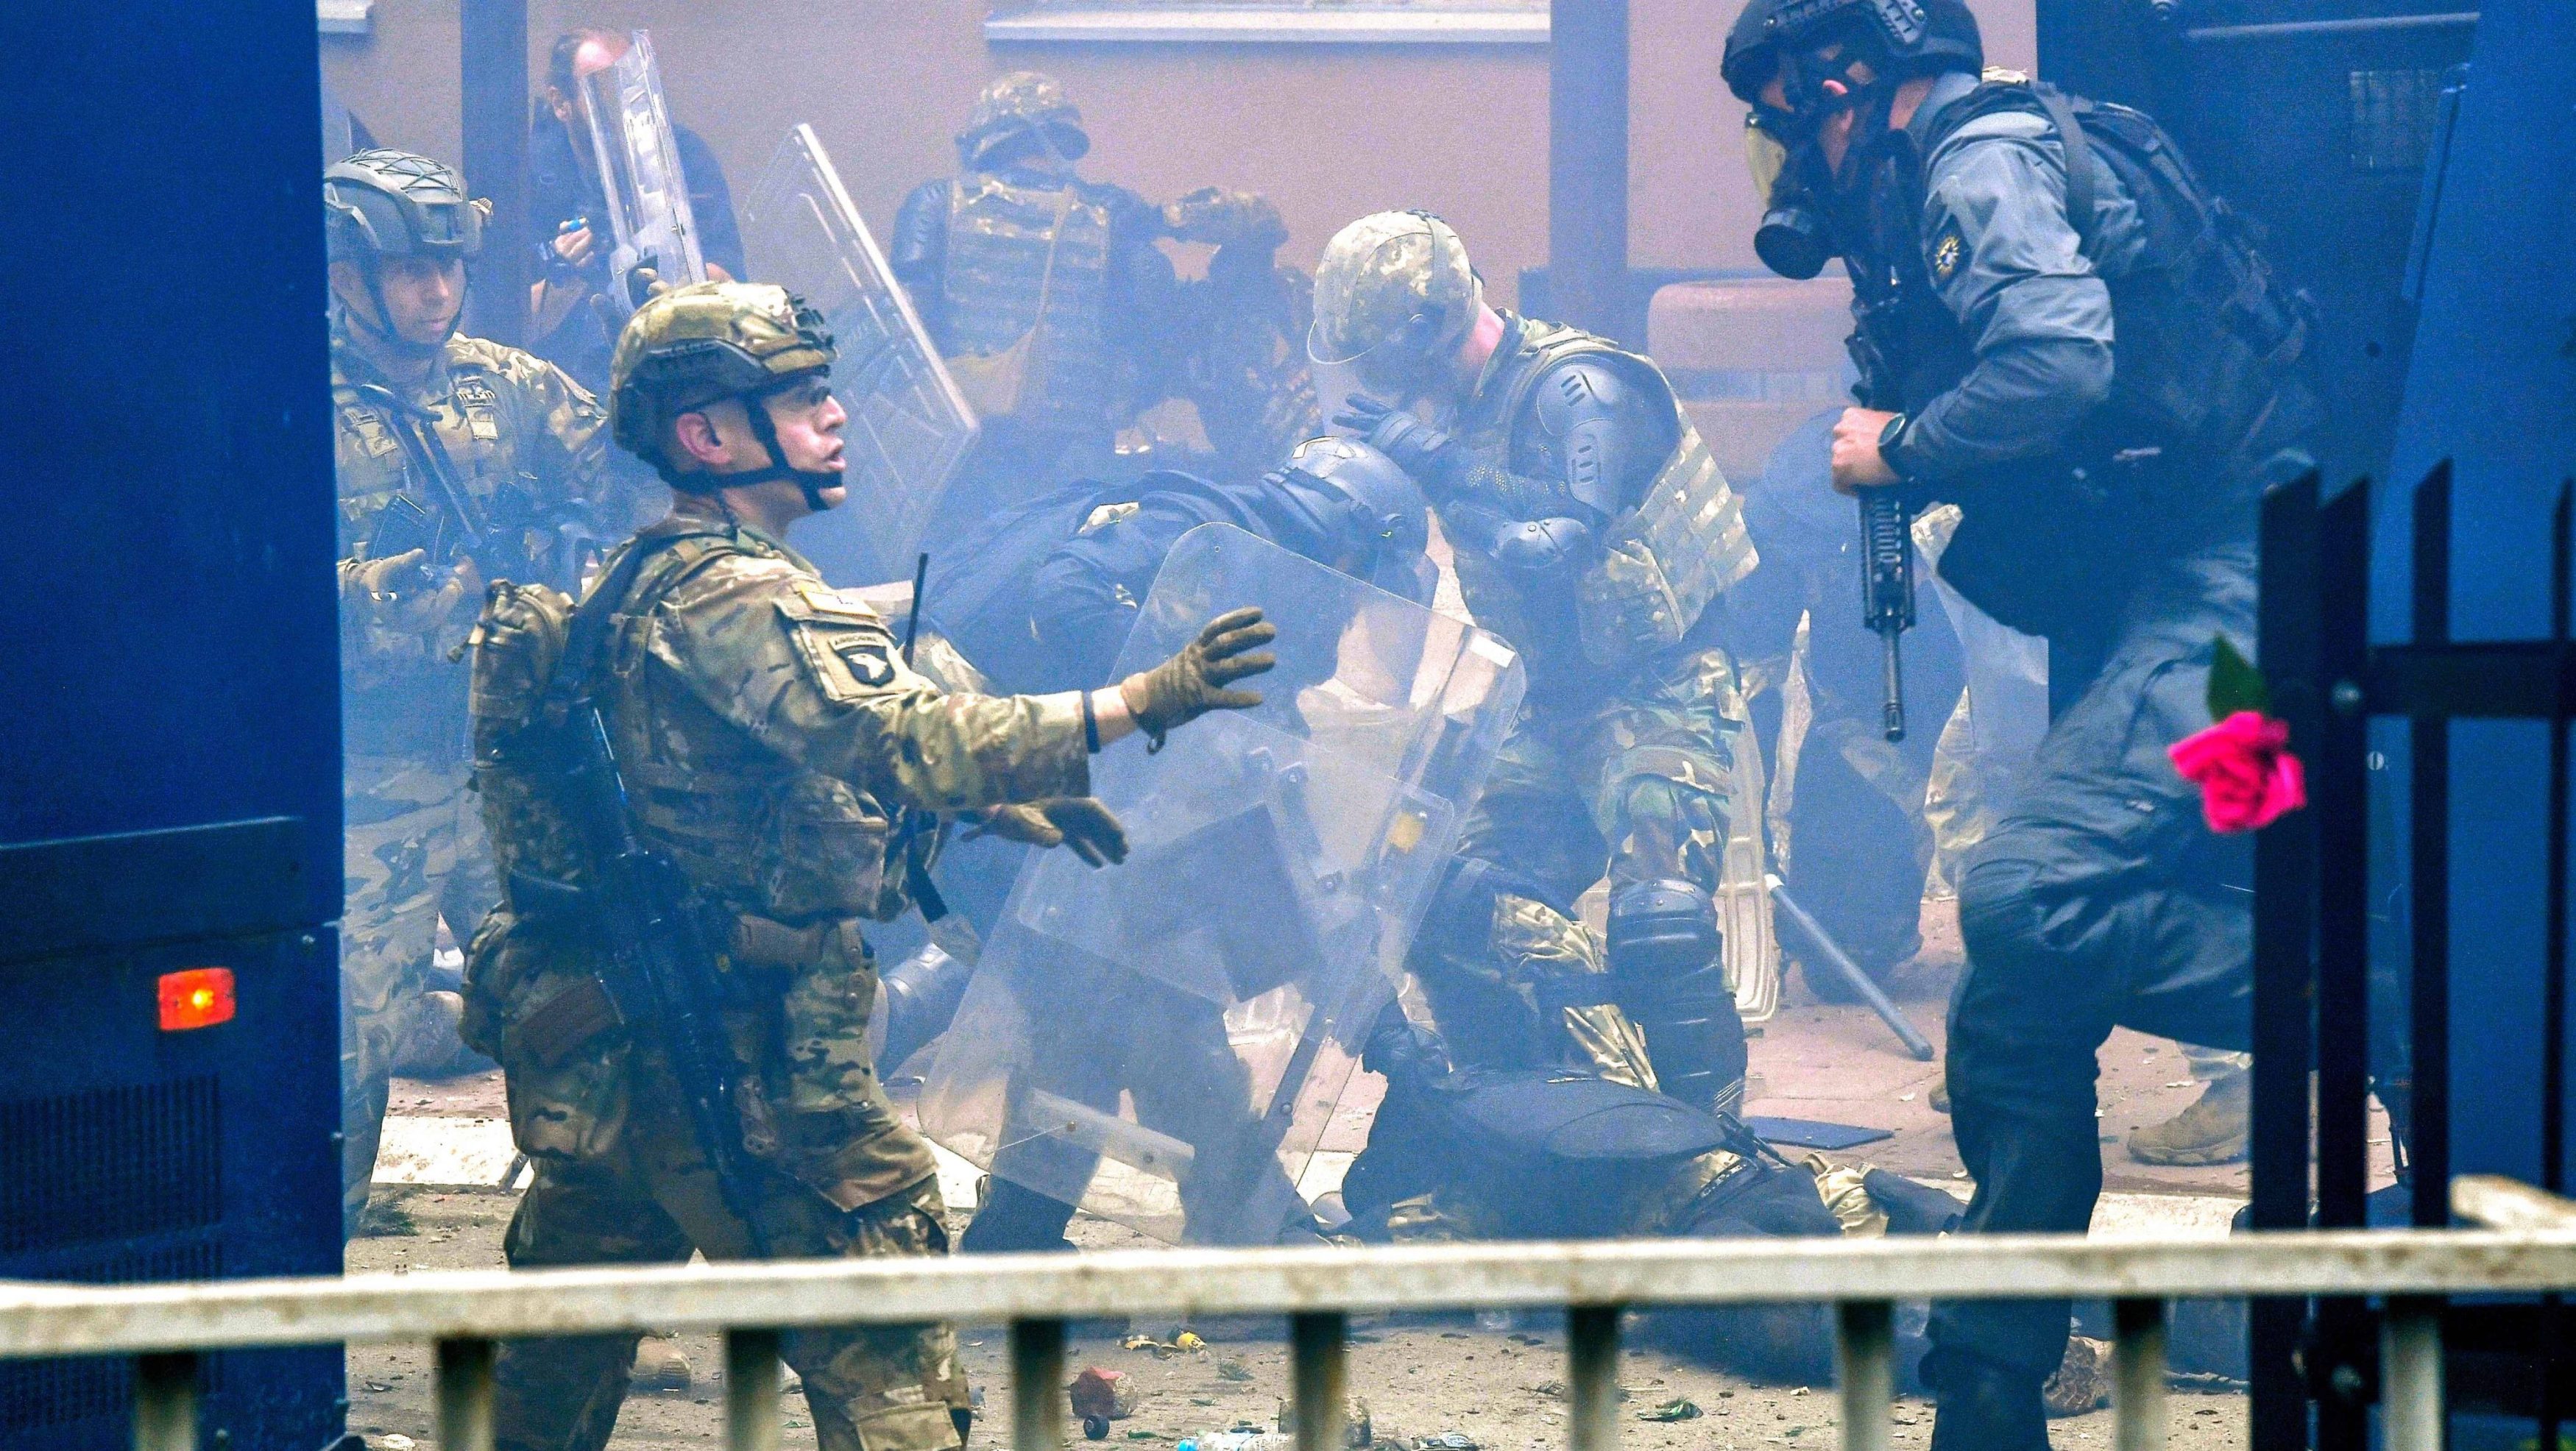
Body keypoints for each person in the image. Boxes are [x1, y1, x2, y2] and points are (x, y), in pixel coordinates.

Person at [464, 279, 1275, 1451]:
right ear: (707, 435)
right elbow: (909, 738)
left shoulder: (638, 585)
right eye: (798, 398)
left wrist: (994, 813)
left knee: (540, 1401)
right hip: (753, 1075)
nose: (834, 417)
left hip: (608, 1067)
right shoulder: (740, 595)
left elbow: (731, 807)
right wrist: (1140, 701)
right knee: (897, 1380)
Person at [1718, 0, 2321, 1442]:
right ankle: (1988, 1394)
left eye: (1784, 118)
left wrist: (1901, 447)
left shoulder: (1971, 160)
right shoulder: (1982, 165)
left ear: (1846, 88)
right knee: (2016, 993)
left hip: (2230, 604)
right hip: (2185, 596)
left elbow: (2054, 357)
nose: (1778, 158)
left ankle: (2373, 996)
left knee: (2023, 894)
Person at [904, 436, 1432, 1253]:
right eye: (1358, 587)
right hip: (984, 795)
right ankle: (1254, 1237)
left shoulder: (1236, 554)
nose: (1349, 611)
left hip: (1009, 797)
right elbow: (1066, 596)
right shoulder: (1207, 538)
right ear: (1344, 541)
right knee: (1141, 1005)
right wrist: (1170, 693)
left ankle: (1021, 1236)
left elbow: (1258, 790)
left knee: (1083, 1008)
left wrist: (1373, 1008)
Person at [1317, 210, 1761, 1115]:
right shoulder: (1451, 409)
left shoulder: (1578, 390)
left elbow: (1553, 543)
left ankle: (1702, 1143)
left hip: (1659, 687)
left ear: (1420, 331)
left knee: (1658, 920)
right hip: (1544, 702)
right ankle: (1513, 1116)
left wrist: (1441, 468)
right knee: (1453, 897)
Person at [324, 147, 620, 1237]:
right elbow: (235, 585)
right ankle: (310, 1283)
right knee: (351, 1029)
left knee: (571, 1004)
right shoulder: (284, 399)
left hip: (510, 762)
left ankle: (586, 1253)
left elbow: (631, 470)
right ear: (348, 274)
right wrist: (400, 593)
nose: (435, 290)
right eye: (406, 269)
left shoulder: (510, 385)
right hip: (375, 771)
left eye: (447, 265)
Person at [889, 71, 1317, 520]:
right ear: (1059, 138)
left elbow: (907, 327)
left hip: (961, 448)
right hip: (1070, 452)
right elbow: (1160, 318)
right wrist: (1172, 217)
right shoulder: (1107, 211)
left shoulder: (935, 203)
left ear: (989, 137)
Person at [1727, 406, 1967, 996]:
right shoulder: (1792, 509)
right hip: (1875, 735)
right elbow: (1751, 682)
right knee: (1843, 958)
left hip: (2022, 720)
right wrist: (1748, 841)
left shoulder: (2000, 482)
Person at [526, 26, 746, 394]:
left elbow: (730, 281)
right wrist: (567, 270)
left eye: (631, 87)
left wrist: (677, 290)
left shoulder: (683, 155)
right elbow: (503, 322)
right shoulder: (531, 174)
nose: (621, 105)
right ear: (560, 103)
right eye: (602, 89)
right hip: (564, 388)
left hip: (671, 370)